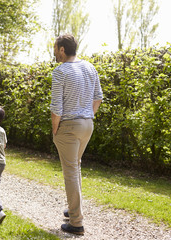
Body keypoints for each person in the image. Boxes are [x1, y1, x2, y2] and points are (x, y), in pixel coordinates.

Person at [50, 34, 103, 235]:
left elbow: (56, 108)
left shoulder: (60, 71)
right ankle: (74, 209)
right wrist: (86, 116)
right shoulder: (90, 67)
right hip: (87, 125)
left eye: (56, 48)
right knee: (76, 167)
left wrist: (55, 129)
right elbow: (98, 98)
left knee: (70, 171)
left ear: (62, 49)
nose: (55, 52)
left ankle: (76, 223)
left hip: (68, 127)